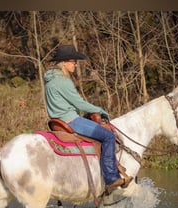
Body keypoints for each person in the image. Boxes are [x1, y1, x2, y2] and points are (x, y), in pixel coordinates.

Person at [44, 44, 131, 192]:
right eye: (73, 61)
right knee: (109, 136)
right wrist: (100, 110)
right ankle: (111, 178)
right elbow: (79, 103)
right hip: (71, 120)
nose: (75, 64)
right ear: (64, 62)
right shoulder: (63, 81)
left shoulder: (50, 79)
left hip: (58, 120)